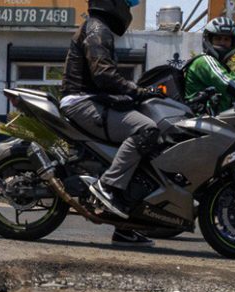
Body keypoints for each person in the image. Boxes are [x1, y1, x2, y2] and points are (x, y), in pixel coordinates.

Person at [60, 0, 165, 247]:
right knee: (147, 129)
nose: (128, 11)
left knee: (139, 149)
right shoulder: (97, 28)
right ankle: (107, 187)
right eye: (127, 4)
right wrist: (137, 90)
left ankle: (125, 228)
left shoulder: (99, 27)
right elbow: (104, 74)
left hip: (92, 100)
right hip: (82, 102)